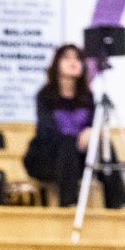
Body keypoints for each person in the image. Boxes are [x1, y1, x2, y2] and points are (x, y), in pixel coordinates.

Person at [25, 45, 97, 209]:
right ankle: (69, 204)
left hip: (79, 159)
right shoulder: (45, 95)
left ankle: (120, 204)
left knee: (106, 146)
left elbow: (94, 124)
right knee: (67, 143)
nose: (73, 62)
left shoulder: (88, 96)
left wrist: (91, 132)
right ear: (56, 63)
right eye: (67, 58)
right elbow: (45, 132)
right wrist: (75, 140)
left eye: (77, 58)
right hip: (48, 157)